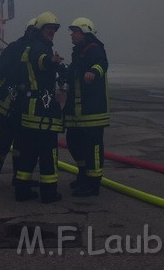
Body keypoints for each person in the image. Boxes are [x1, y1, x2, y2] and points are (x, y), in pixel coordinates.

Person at [12, 11, 66, 203]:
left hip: (31, 108)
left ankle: (22, 191)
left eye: (54, 29)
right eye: (48, 29)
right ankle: (49, 193)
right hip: (43, 110)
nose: (52, 32)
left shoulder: (33, 46)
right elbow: (40, 61)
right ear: (40, 29)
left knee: (27, 152)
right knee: (48, 152)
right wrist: (50, 61)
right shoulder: (39, 48)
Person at [0, 17, 38, 191]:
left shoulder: (36, 50)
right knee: (2, 144)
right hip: (11, 104)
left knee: (20, 145)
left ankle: (18, 178)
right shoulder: (15, 48)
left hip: (26, 107)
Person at [63, 17, 109, 197]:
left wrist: (93, 72)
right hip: (78, 111)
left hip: (92, 111)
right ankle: (83, 174)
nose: (72, 35)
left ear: (85, 32)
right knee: (73, 142)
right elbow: (74, 74)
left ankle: (93, 183)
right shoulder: (79, 53)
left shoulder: (95, 49)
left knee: (93, 147)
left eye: (75, 31)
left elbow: (102, 64)